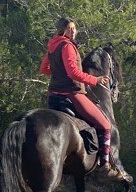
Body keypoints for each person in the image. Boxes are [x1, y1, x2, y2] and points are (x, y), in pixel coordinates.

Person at [40, 17, 121, 177]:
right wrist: (95, 80)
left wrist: (58, 74)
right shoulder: (67, 46)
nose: (73, 31)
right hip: (72, 93)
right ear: (62, 30)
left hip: (53, 95)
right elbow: (73, 73)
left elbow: (44, 69)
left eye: (74, 28)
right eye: (70, 28)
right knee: (105, 125)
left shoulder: (52, 45)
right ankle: (105, 164)